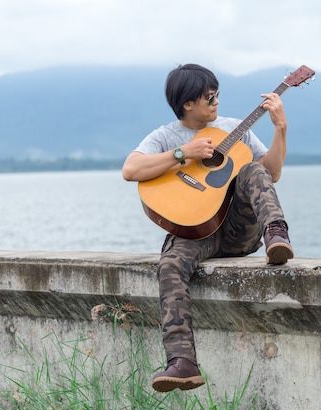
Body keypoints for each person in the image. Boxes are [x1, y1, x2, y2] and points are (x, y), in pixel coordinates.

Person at [121, 63, 294, 393]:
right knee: (170, 264)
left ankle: (276, 233)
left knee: (253, 172)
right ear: (188, 104)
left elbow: (271, 174)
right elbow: (131, 169)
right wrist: (182, 153)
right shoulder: (165, 136)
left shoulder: (234, 129)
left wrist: (280, 129)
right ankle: (182, 362)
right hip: (196, 232)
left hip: (239, 229)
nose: (217, 103)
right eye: (210, 97)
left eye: (217, 95)